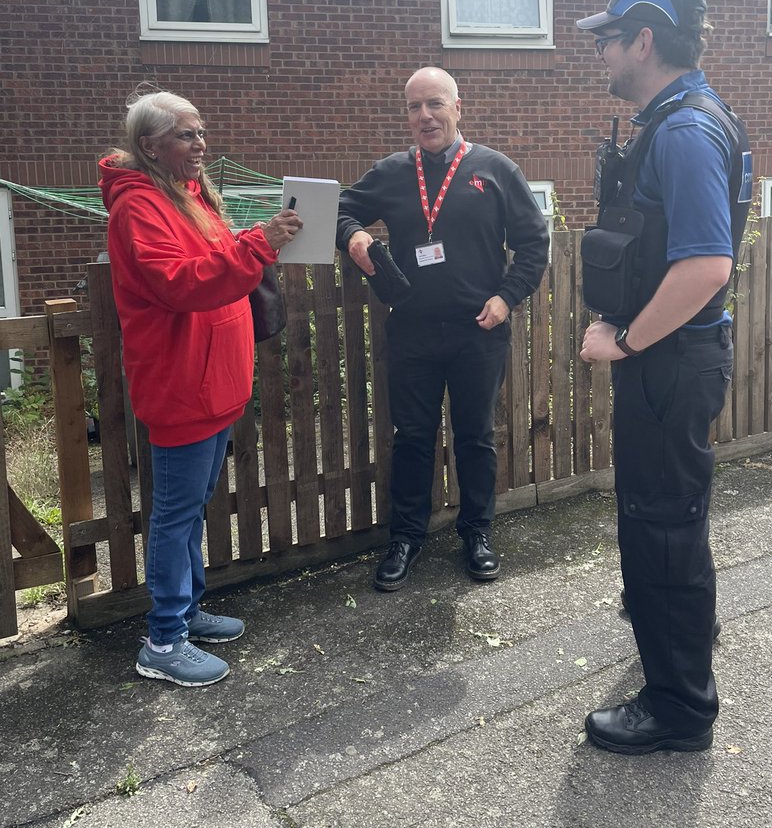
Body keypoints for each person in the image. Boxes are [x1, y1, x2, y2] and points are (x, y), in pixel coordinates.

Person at [577, 0, 752, 754]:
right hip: (679, 357)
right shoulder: (686, 118)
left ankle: (679, 708)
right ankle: (678, 630)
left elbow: (706, 266)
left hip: (669, 359)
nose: (602, 53)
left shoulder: (683, 131)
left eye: (609, 38)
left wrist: (625, 340)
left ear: (644, 41)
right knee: (670, 516)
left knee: (661, 523)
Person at [99, 87, 301, 687]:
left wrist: (255, 240)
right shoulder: (139, 208)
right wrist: (259, 243)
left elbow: (215, 260)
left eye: (201, 133)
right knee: (174, 514)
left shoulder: (185, 196)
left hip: (214, 380)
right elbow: (181, 284)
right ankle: (163, 640)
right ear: (150, 146)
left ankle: (184, 612)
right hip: (183, 383)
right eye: (186, 135)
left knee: (189, 510)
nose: (200, 145)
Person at [337, 66, 549, 591]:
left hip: (478, 330)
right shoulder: (391, 172)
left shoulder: (495, 170)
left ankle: (476, 533)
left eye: (435, 104)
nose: (425, 116)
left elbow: (533, 242)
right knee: (411, 437)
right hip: (411, 330)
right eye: (414, 107)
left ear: (459, 106)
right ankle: (406, 538)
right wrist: (355, 237)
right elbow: (340, 209)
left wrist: (506, 297)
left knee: (475, 437)